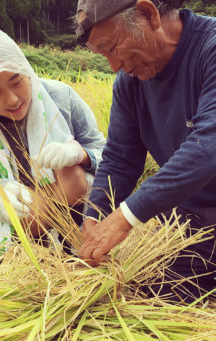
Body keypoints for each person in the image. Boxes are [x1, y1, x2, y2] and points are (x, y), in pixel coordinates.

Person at [75, 0, 216, 303]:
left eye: (112, 48)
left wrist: (125, 217)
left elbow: (209, 145)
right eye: (103, 56)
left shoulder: (211, 49)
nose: (114, 66)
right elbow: (120, 159)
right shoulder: (129, 84)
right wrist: (96, 215)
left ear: (149, 14)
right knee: (139, 295)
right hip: (193, 228)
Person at [0, 25, 105, 254]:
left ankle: (74, 238)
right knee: (28, 209)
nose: (12, 99)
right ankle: (37, 244)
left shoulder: (61, 96)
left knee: (71, 175)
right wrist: (1, 197)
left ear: (26, 71)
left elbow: (104, 150)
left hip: (76, 208)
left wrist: (82, 155)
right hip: (26, 225)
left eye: (17, 82)